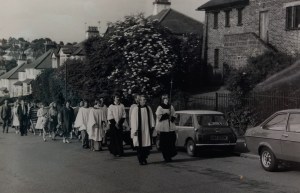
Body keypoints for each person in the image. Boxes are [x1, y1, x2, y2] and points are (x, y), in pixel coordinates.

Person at [130, 95, 155, 165]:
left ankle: (144, 158)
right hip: (138, 130)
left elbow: (151, 117)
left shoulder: (148, 108)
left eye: (145, 99)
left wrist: (152, 126)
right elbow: (133, 120)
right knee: (139, 145)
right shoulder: (135, 109)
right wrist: (134, 130)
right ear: (139, 101)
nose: (144, 101)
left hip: (146, 129)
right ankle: (141, 159)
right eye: (142, 100)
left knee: (146, 145)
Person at [155, 94, 177, 162]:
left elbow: (174, 114)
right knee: (165, 143)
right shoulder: (160, 107)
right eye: (165, 98)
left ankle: (170, 155)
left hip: (170, 126)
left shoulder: (171, 106)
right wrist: (166, 115)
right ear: (163, 99)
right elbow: (159, 116)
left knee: (172, 140)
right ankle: (166, 156)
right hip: (164, 127)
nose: (167, 100)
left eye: (167, 98)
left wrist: (172, 117)